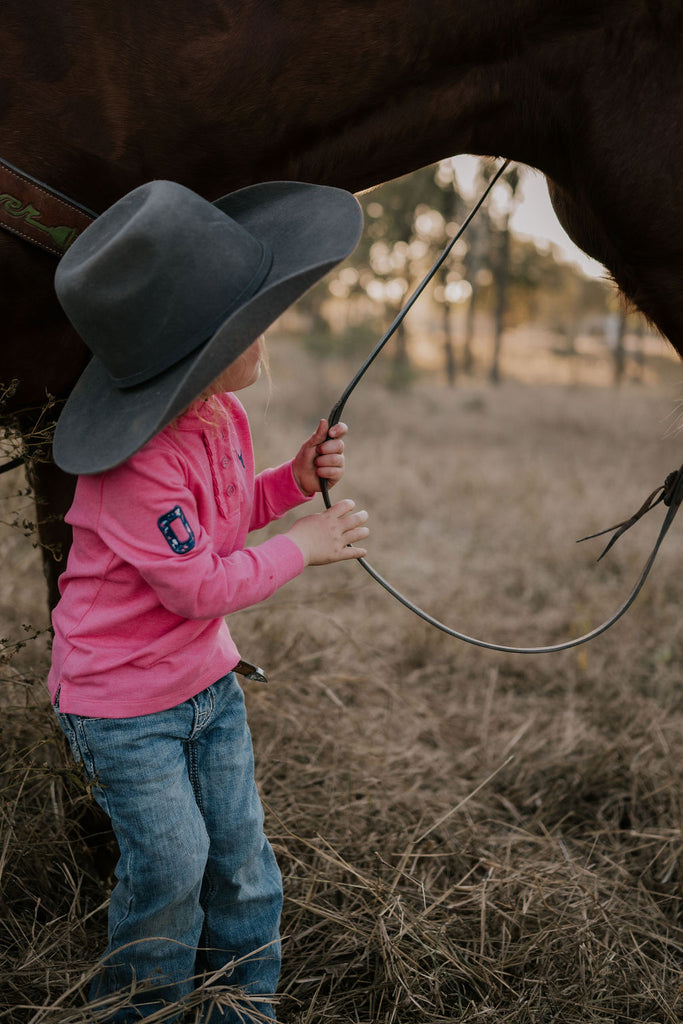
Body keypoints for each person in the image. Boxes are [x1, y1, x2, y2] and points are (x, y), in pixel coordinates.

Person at [47, 178, 369, 1022]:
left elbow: (221, 522)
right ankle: (142, 1009)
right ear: (195, 350)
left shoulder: (219, 417)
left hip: (205, 688)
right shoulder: (136, 466)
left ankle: (240, 1010)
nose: (264, 329)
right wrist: (304, 549)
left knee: (243, 863)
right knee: (172, 866)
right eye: (244, 321)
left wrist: (290, 487)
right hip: (121, 709)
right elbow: (197, 586)